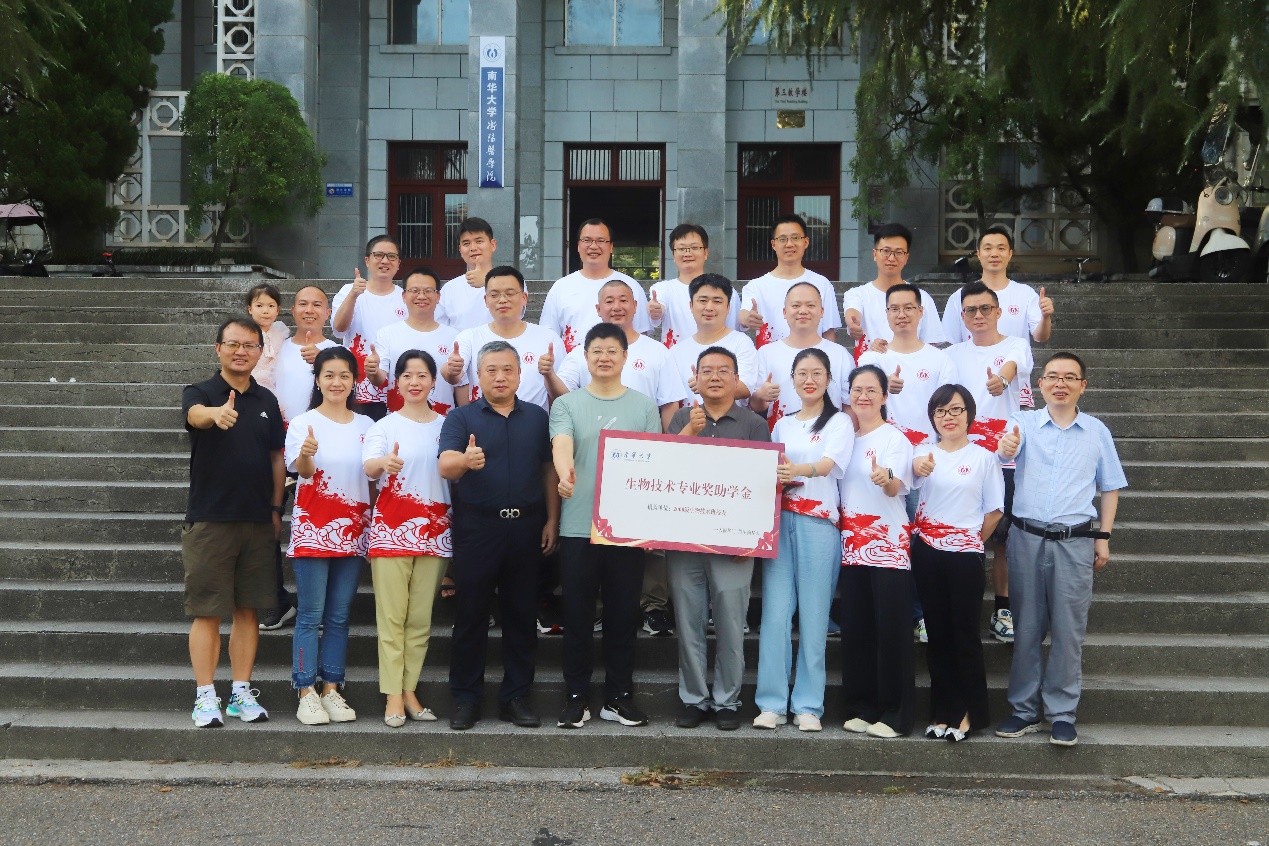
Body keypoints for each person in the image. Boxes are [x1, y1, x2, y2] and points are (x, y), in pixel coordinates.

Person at [995, 352, 1127, 748]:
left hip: (1076, 540)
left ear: (1082, 386)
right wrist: (1006, 447)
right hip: (1026, 539)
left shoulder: (1097, 431)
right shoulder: (1022, 423)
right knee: (1027, 629)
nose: (1060, 383)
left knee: (1069, 632)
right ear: (1041, 384)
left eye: (1070, 377)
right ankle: (1023, 710)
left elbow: (1110, 487)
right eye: (1052, 376)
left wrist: (1104, 536)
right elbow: (1004, 452)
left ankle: (1062, 714)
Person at [555, 278, 692, 637]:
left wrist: (664, 456)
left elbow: (669, 404)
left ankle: (653, 607)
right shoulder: (582, 351)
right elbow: (564, 396)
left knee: (645, 546)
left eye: (624, 300)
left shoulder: (656, 351)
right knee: (595, 551)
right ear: (598, 308)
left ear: (636, 306)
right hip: (590, 462)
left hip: (640, 462)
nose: (617, 306)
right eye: (609, 300)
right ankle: (601, 611)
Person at [439, 341, 560, 731]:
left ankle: (516, 698)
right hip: (478, 529)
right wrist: (465, 460)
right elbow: (445, 465)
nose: (500, 377)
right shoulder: (461, 418)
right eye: (491, 370)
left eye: (508, 369)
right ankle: (466, 698)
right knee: (470, 615)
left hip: (527, 528)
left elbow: (548, 470)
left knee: (522, 615)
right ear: (478, 375)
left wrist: (552, 520)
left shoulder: (538, 418)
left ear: (520, 374)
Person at [550, 323, 663, 729]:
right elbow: (562, 444)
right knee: (577, 616)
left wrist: (649, 525)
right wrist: (565, 474)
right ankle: (576, 697)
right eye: (596, 350)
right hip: (578, 525)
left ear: (625, 357)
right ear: (585, 356)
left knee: (622, 615)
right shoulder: (567, 404)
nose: (604, 357)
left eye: (612, 350)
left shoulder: (644, 406)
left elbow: (655, 463)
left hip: (626, 528)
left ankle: (618, 697)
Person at [181, 317, 285, 728]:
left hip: (258, 520)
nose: (241, 351)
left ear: (260, 351)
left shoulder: (266, 400)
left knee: (248, 611)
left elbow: (277, 458)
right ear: (218, 348)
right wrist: (216, 414)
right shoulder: (200, 392)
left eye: (250, 345)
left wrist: (276, 510)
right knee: (207, 611)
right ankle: (205, 696)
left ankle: (241, 693)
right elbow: (195, 416)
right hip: (212, 519)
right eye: (233, 344)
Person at [664, 347, 771, 731]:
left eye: (723, 371)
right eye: (706, 370)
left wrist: (752, 539)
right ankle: (694, 698)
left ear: (736, 379)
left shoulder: (753, 423)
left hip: (734, 542)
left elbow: (762, 484)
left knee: (730, 622)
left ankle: (727, 701)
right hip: (684, 538)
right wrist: (690, 432)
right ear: (695, 378)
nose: (714, 377)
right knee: (688, 622)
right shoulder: (681, 417)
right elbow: (664, 469)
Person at [752, 348, 852, 732]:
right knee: (776, 615)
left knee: (814, 616)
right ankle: (771, 703)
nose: (809, 380)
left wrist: (798, 470)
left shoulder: (839, 422)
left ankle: (808, 705)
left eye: (817, 373)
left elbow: (829, 465)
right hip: (780, 523)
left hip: (819, 525)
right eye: (802, 373)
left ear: (828, 379)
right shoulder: (782, 424)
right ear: (792, 379)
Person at [858, 282, 959, 642]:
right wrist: (884, 387)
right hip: (880, 463)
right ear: (885, 314)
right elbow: (858, 405)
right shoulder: (872, 360)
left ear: (921, 312)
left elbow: (950, 411)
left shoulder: (939, 359)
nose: (901, 315)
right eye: (894, 308)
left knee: (922, 541)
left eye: (908, 308)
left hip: (925, 461)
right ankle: (887, 612)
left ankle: (921, 613)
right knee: (883, 537)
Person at [284, 346, 373, 726]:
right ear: (318, 380)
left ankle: (331, 688)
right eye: (329, 375)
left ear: (354, 381)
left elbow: (373, 476)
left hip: (354, 532)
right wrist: (306, 453)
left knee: (338, 616)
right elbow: (302, 472)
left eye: (344, 376)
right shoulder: (303, 423)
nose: (337, 382)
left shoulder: (367, 426)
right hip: (313, 530)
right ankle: (305, 690)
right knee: (310, 615)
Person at [910, 384, 1004, 742]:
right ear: (932, 417)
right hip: (927, 552)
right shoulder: (922, 454)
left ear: (969, 415)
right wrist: (917, 466)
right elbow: (907, 481)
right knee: (936, 635)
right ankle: (942, 711)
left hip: (965, 555)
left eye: (955, 410)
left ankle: (969, 713)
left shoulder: (984, 457)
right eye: (940, 411)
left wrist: (967, 541)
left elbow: (994, 511)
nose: (948, 417)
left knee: (964, 635)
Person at [363, 350, 451, 728]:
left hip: (436, 532)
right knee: (392, 619)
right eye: (407, 375)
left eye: (422, 375)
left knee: (419, 619)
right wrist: (384, 463)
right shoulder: (384, 427)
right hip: (391, 531)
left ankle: (410, 690)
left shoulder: (448, 426)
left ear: (433, 381)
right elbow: (369, 467)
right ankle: (393, 696)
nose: (414, 382)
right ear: (396, 382)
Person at [945, 282, 1033, 644]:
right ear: (962, 316)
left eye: (985, 308)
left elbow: (1010, 369)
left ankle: (1002, 610)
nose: (978, 315)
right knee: (962, 531)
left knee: (1003, 539)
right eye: (971, 310)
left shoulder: (1016, 344)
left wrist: (1001, 382)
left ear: (998, 312)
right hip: (960, 459)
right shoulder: (951, 354)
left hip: (1004, 458)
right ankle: (955, 607)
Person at [838, 364, 916, 738]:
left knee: (891, 632)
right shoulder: (844, 439)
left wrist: (886, 478)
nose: (863, 396)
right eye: (857, 389)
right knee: (858, 630)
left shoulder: (894, 439)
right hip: (851, 548)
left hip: (888, 548)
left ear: (885, 396)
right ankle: (862, 707)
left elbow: (896, 485)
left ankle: (895, 715)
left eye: (872, 390)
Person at [940, 225, 1055, 408]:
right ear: (978, 254)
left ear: (1010, 254)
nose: (994, 254)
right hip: (971, 387)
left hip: (1013, 386)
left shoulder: (1025, 294)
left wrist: (1046, 316)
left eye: (1001, 248)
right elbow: (953, 343)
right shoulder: (960, 297)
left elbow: (1040, 336)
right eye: (988, 248)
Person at [449, 266, 566, 412]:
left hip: (533, 424)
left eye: (510, 294)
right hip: (483, 422)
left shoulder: (548, 339)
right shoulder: (469, 337)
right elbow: (454, 377)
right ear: (486, 300)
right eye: (494, 295)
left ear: (524, 298)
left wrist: (549, 374)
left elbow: (563, 395)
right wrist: (451, 370)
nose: (502, 300)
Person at [748, 282, 853, 433]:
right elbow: (753, 406)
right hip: (779, 439)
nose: (803, 311)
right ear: (784, 312)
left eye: (810, 305)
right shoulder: (765, 353)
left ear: (822, 311)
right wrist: (759, 397)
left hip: (828, 440)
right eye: (796, 305)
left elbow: (850, 406)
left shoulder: (840, 354)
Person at [540, 218, 652, 351]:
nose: (593, 246)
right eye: (587, 240)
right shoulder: (561, 287)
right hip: (573, 363)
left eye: (601, 241)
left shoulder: (631, 286)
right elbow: (548, 336)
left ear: (611, 247)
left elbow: (641, 336)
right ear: (578, 245)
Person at [370, 267, 467, 416]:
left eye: (428, 291)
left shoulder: (454, 336)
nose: (421, 296)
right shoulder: (386, 334)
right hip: (398, 420)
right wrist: (373, 371)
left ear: (438, 296)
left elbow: (460, 383)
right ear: (404, 296)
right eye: (414, 290)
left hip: (442, 420)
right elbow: (379, 379)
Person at [841, 223, 946, 362]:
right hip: (870, 372)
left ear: (906, 257)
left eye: (899, 252)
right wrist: (853, 324)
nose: (891, 258)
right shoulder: (857, 294)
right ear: (875, 254)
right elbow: (853, 313)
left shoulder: (922, 298)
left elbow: (931, 344)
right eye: (886, 251)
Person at [331, 234, 408, 420]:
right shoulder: (349, 292)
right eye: (378, 255)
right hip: (359, 389)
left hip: (397, 387)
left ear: (398, 263)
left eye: (391, 256)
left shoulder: (406, 298)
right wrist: (353, 295)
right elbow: (338, 330)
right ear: (367, 260)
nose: (385, 261)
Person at [738, 214, 841, 347]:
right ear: (773, 244)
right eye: (782, 239)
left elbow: (828, 332)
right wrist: (748, 319)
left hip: (812, 358)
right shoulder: (756, 286)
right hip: (771, 359)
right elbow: (743, 315)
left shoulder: (822, 284)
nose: (789, 244)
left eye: (795, 238)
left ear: (806, 242)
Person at [667, 274, 760, 403]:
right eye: (703, 301)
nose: (709, 307)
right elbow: (671, 400)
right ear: (691, 305)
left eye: (717, 301)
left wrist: (706, 385)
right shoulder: (676, 352)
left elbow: (746, 388)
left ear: (728, 307)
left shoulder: (741, 342)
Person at [648, 223, 740, 348]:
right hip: (676, 358)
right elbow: (658, 306)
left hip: (715, 358)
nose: (687, 253)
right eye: (681, 249)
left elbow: (733, 329)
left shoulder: (725, 291)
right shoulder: (663, 289)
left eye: (694, 247)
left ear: (705, 253)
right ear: (673, 255)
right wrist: (656, 310)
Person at [436, 217, 508, 331]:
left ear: (493, 245)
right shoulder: (449, 289)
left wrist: (486, 281)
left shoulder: (511, 281)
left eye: (479, 241)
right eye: (466, 243)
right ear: (460, 250)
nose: (473, 248)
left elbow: (515, 315)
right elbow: (441, 328)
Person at [245, 283, 289, 393]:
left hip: (275, 387)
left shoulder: (280, 334)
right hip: (249, 384)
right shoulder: (245, 334)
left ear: (278, 310)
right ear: (250, 309)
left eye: (271, 306)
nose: (265, 311)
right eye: (259, 306)